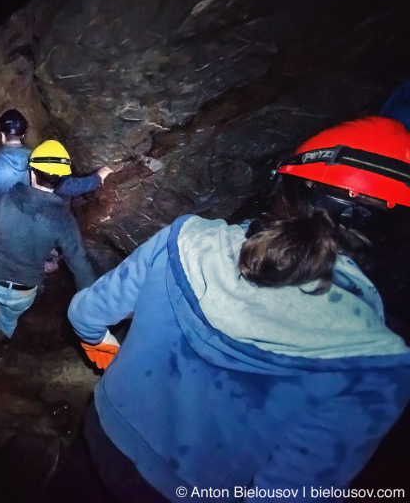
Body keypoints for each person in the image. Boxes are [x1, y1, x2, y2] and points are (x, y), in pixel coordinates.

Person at [60, 116, 410, 502]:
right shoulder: (378, 365)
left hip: (103, 435)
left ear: (284, 187)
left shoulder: (184, 239)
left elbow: (85, 315)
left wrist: (105, 349)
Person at [0, 140, 99, 363]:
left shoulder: (5, 201)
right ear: (63, 178)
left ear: (32, 171)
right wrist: (94, 304)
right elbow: (80, 263)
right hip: (24, 291)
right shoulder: (64, 219)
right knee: (7, 320)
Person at [0, 109, 114, 239]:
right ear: (23, 134)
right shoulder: (39, 159)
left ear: (2, 135)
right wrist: (97, 178)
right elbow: (66, 186)